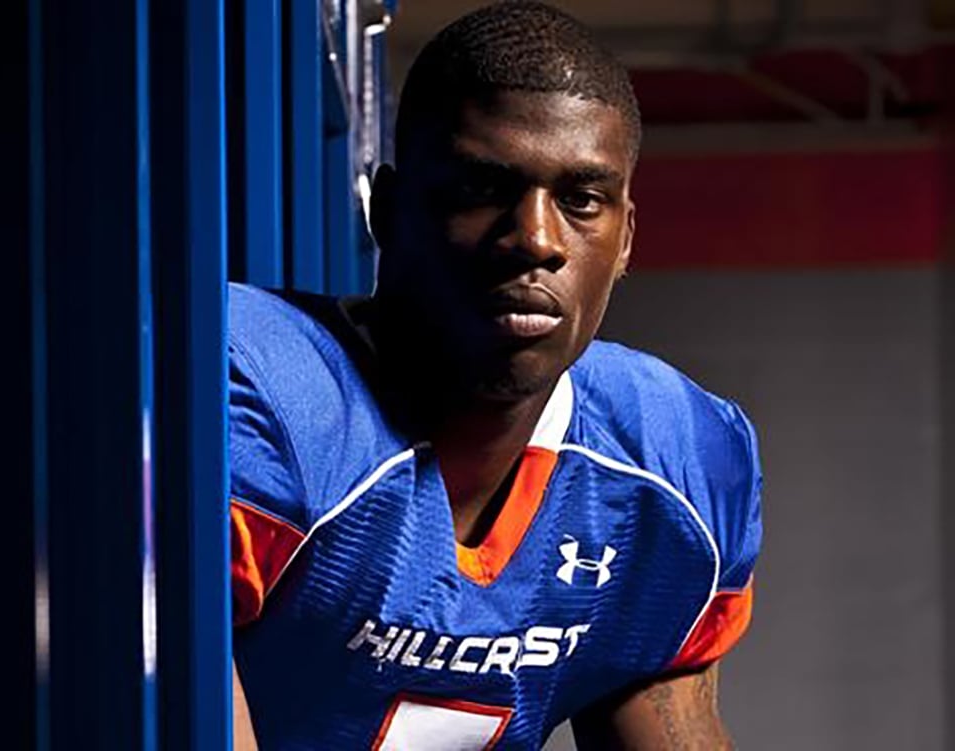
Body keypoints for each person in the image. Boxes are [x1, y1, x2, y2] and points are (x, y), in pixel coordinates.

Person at [229, 2, 762, 748]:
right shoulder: (264, 396)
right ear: (388, 210)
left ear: (627, 237)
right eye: (483, 188)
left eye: (580, 200)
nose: (535, 240)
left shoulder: (669, 469)